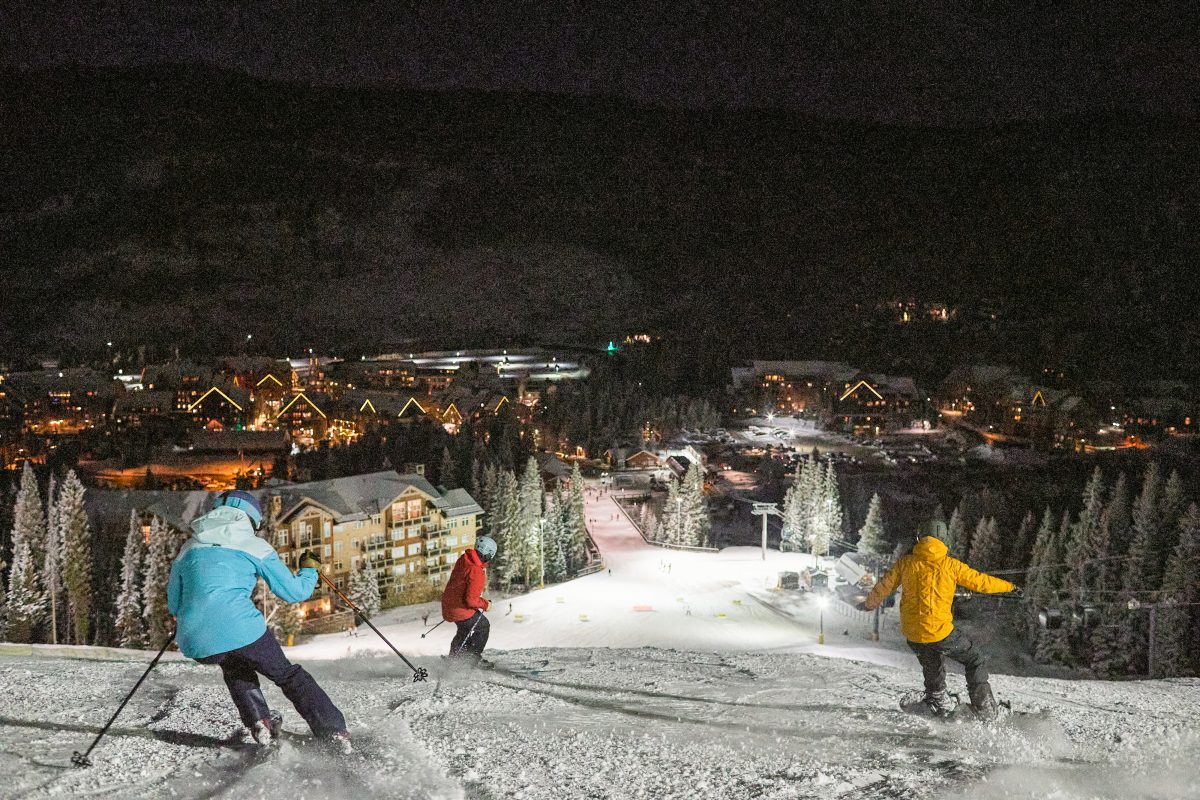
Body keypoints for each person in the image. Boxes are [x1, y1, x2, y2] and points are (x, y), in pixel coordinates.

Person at [167, 490, 351, 751]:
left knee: (234, 665)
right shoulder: (253, 546)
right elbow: (294, 592)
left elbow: (174, 603)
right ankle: (332, 730)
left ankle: (259, 721)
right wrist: (310, 569)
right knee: (288, 676)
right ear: (250, 520)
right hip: (240, 629)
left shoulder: (189, 547)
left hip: (196, 641)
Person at [859, 535, 1017, 718]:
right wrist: (1009, 587)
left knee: (931, 659)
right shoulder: (950, 565)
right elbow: (981, 582)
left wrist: (868, 604)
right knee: (974, 659)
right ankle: (985, 708)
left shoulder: (906, 563)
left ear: (919, 538)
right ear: (942, 539)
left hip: (913, 633)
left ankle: (938, 697)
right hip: (939, 632)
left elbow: (884, 586)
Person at [442, 536, 495, 668]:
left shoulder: (465, 559)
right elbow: (471, 600)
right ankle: (471, 659)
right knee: (482, 626)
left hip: (449, 604)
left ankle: (456, 656)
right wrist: (485, 604)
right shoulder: (476, 571)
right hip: (459, 608)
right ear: (488, 554)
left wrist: (480, 600)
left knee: (464, 629)